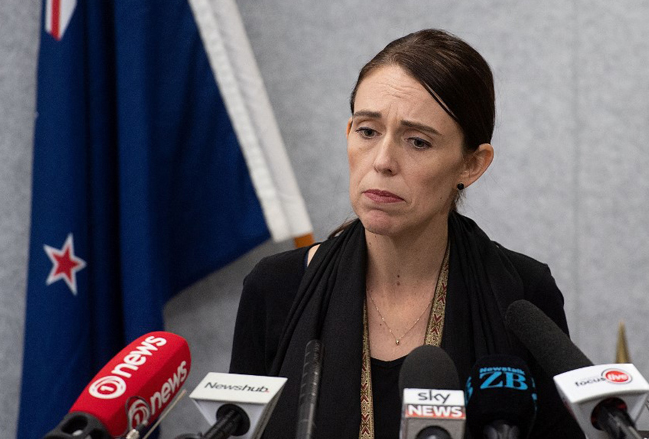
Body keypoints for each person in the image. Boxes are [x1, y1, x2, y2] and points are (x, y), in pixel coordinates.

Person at [230, 29, 584, 439]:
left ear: (472, 164)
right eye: (367, 131)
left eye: (417, 141)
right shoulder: (275, 288)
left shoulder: (524, 293)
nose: (382, 161)